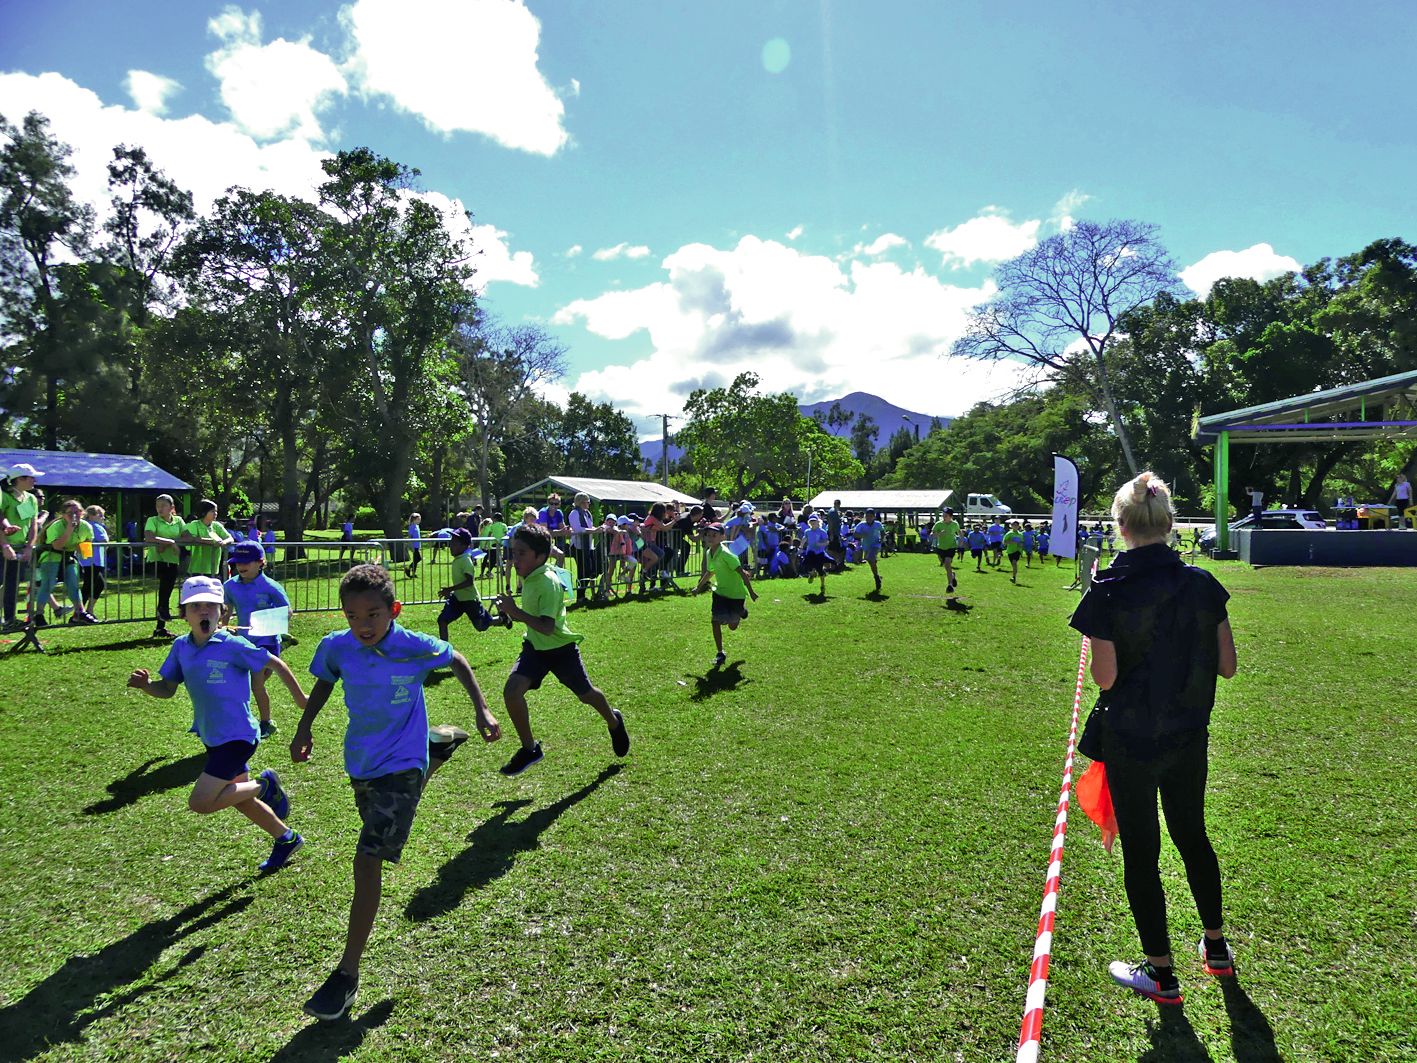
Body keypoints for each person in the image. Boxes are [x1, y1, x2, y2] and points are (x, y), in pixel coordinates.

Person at [291, 564, 501, 1021]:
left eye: (372, 614)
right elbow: (325, 682)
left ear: (393, 610)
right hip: (362, 762)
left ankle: (346, 976)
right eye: (352, 616)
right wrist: (304, 728)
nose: (362, 625)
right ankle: (439, 751)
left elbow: (456, 659)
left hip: (404, 761)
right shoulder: (337, 647)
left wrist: (483, 709)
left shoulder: (411, 645)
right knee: (383, 827)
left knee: (367, 858)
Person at [1068, 472, 1238, 1006]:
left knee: (1142, 853)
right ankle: (1216, 949)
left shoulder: (1109, 590)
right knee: (1194, 837)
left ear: (1121, 527)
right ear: (1169, 525)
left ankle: (1161, 973)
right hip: (1188, 735)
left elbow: (1105, 678)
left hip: (1132, 739)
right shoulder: (1203, 585)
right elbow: (1228, 665)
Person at [127, 576, 307, 875]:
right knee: (239, 798)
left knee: (201, 802)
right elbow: (168, 688)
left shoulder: (232, 644)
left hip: (238, 736)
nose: (203, 612)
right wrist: (147, 686)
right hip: (212, 737)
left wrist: (300, 698)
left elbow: (273, 662)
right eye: (195, 606)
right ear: (183, 613)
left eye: (210, 606)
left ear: (222, 612)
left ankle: (265, 785)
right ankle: (286, 838)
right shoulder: (181, 647)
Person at [492, 524, 629, 777]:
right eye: (514, 552)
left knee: (587, 695)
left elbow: (546, 627)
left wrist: (516, 612)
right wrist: (508, 613)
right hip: (534, 648)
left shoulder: (547, 582)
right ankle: (530, 749)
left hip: (560, 649)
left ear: (540, 557)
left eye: (521, 553)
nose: (515, 558)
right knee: (512, 692)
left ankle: (613, 720)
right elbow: (532, 623)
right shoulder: (531, 576)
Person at [224, 541, 295, 739]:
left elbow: (287, 612)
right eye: (237, 562)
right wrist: (222, 629)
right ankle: (241, 720)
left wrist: (266, 623)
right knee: (241, 684)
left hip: (267, 642)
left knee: (256, 683)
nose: (240, 566)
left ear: (261, 562)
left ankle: (266, 723)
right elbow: (226, 612)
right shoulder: (230, 586)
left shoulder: (270, 586)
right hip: (243, 642)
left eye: (246, 562)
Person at [694, 521, 758, 668]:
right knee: (715, 620)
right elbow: (710, 572)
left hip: (736, 595)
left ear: (722, 537)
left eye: (714, 535)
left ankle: (742, 611)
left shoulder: (727, 554)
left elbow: (742, 573)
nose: (710, 538)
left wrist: (752, 592)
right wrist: (698, 587)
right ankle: (720, 652)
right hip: (720, 593)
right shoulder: (710, 552)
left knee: (732, 626)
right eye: (708, 535)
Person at [438, 528, 507, 640]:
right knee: (442, 620)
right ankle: (445, 650)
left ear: (465, 546)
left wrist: (450, 589)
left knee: (481, 626)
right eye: (451, 543)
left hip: (470, 600)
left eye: (455, 544)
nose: (451, 546)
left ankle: (501, 619)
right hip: (457, 598)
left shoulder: (465, 560)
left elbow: (469, 582)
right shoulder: (458, 558)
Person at [35, 499, 95, 625]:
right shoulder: (57, 526)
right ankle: (39, 615)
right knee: (48, 584)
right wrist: (69, 529)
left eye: (77, 511)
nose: (74, 515)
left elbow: (85, 548)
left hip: (69, 556)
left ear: (82, 512)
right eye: (70, 513)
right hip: (51, 556)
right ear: (63, 515)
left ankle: (80, 612)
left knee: (73, 584)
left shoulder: (86, 526)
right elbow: (57, 546)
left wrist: (81, 549)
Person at [2, 464, 42, 632]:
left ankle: (10, 619)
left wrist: (29, 547)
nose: (35, 480)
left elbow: (33, 525)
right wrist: (5, 545)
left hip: (19, 549)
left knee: (12, 586)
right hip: (4, 548)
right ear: (19, 479)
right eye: (31, 477)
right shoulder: (3, 495)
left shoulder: (31, 499)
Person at [144, 494, 187, 638]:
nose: (159, 508)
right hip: (157, 560)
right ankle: (163, 613)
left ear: (171, 508)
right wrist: (170, 543)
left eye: (163, 505)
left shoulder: (179, 521)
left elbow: (186, 536)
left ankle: (160, 626)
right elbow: (149, 537)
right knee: (164, 588)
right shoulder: (152, 520)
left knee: (167, 590)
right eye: (158, 506)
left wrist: (165, 542)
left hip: (172, 560)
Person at [182, 500, 233, 579]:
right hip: (197, 568)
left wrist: (223, 542)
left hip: (213, 568)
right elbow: (186, 535)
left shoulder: (217, 525)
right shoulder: (195, 524)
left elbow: (230, 538)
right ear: (203, 512)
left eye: (216, 511)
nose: (215, 513)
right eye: (212, 511)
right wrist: (208, 541)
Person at [567, 493, 600, 598]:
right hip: (578, 546)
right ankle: (580, 596)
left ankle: (586, 595)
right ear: (581, 502)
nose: (589, 504)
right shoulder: (574, 513)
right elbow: (578, 529)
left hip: (588, 546)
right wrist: (594, 530)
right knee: (582, 572)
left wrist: (597, 529)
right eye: (587, 501)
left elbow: (589, 526)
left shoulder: (587, 513)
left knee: (592, 570)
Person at [81, 505, 109, 618]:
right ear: (91, 515)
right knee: (92, 585)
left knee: (93, 585)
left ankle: (87, 611)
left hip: (90, 561)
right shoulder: (94, 526)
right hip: (93, 561)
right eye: (100, 515)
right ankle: (81, 612)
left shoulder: (85, 525)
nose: (103, 517)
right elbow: (104, 540)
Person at [798, 514, 831, 597]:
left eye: (814, 521)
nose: (813, 523)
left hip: (819, 553)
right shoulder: (807, 531)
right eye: (811, 521)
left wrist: (820, 544)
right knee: (807, 565)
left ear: (818, 522)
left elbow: (827, 542)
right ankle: (812, 573)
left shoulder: (822, 531)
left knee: (820, 569)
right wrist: (801, 546)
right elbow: (804, 538)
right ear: (809, 522)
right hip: (810, 552)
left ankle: (822, 585)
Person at [854, 509, 885, 593]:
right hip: (866, 546)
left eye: (871, 516)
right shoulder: (861, 525)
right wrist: (862, 535)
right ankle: (877, 576)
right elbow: (855, 534)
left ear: (874, 517)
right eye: (867, 516)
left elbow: (882, 531)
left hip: (875, 545)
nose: (869, 518)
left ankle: (876, 577)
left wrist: (882, 540)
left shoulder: (877, 524)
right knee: (870, 561)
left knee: (869, 557)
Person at [934, 508, 962, 594]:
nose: (944, 517)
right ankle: (952, 576)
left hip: (951, 547)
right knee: (946, 566)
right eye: (943, 515)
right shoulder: (938, 524)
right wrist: (939, 534)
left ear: (950, 516)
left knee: (947, 563)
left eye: (945, 516)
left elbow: (959, 532)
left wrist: (961, 541)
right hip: (941, 548)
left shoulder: (954, 524)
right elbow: (932, 535)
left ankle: (950, 585)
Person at [403, 512, 423, 578]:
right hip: (414, 546)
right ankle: (408, 568)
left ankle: (413, 573)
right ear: (414, 520)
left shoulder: (417, 526)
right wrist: (411, 546)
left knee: (416, 559)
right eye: (418, 519)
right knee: (418, 558)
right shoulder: (412, 526)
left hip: (418, 545)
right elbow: (410, 537)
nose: (419, 520)